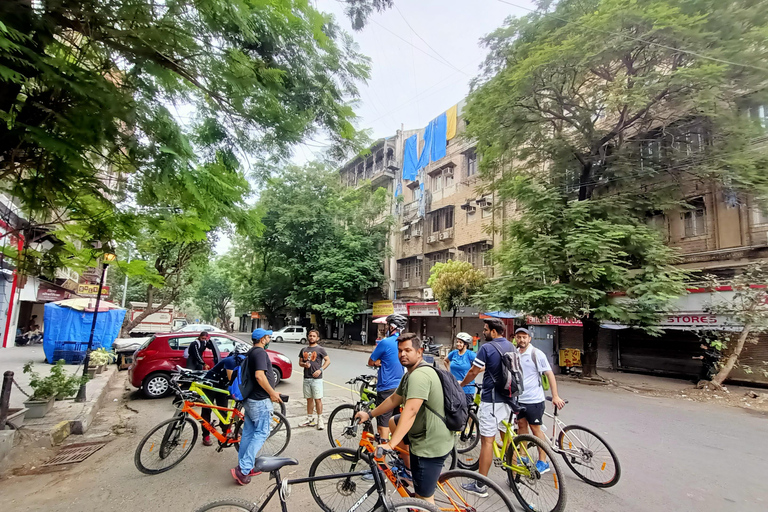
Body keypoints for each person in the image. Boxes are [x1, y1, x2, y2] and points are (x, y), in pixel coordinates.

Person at [355, 333, 454, 504]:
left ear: (419, 351)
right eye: (400, 351)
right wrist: (370, 414)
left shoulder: (419, 376)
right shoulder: (410, 374)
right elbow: (394, 399)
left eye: (408, 350)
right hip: (426, 434)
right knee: (393, 421)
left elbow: (411, 411)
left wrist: (391, 445)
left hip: (429, 446)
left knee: (423, 499)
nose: (403, 354)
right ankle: (407, 468)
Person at [458, 318, 515, 497]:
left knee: (487, 441)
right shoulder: (511, 346)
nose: (483, 332)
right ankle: (514, 477)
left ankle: (481, 485)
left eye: (485, 329)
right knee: (508, 437)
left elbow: (474, 371)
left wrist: (461, 384)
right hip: (510, 398)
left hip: (491, 400)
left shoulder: (487, 348)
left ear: (493, 331)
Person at [231, 328, 283, 485]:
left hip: (251, 400)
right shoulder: (260, 353)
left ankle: (243, 465)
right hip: (260, 401)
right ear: (262, 339)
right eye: (268, 337)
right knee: (261, 432)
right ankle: (244, 469)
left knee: (248, 433)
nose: (269, 339)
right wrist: (272, 393)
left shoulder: (251, 352)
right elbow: (259, 376)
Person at [513, 327, 565, 475]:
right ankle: (523, 456)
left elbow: (549, 374)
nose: (521, 340)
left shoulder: (536, 354)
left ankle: (543, 461)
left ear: (529, 338)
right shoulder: (516, 354)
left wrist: (555, 396)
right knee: (522, 427)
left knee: (536, 430)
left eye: (524, 337)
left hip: (534, 400)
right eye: (519, 337)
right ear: (515, 339)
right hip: (519, 399)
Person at [200, 343, 249, 446]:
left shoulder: (241, 362)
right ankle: (206, 435)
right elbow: (232, 379)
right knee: (206, 410)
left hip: (222, 386)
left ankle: (225, 431)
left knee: (223, 409)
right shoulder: (231, 361)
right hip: (210, 384)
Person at [368, 313, 407, 438]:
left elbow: (370, 361)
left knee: (383, 426)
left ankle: (382, 456)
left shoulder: (385, 342)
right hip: (402, 387)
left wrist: (379, 362)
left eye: (388, 326)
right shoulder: (406, 343)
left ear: (392, 327)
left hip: (386, 388)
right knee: (395, 423)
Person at [298, 329, 330, 429]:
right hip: (306, 378)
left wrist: (321, 369)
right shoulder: (304, 350)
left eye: (314, 336)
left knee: (318, 399)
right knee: (309, 399)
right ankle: (309, 418)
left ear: (317, 338)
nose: (311, 337)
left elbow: (327, 361)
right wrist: (304, 364)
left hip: (316, 379)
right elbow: (300, 363)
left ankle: (320, 419)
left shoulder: (320, 349)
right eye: (310, 335)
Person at [444, 332, 477, 405]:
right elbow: (445, 361)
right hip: (454, 388)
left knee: (466, 412)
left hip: (467, 389)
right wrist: (449, 372)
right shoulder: (454, 353)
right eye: (457, 342)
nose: (458, 344)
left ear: (466, 344)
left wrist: (474, 372)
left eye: (460, 342)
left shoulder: (470, 354)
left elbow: (483, 366)